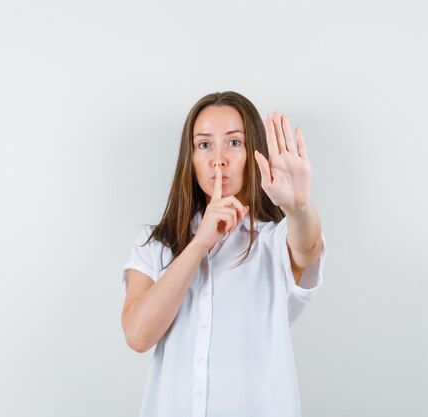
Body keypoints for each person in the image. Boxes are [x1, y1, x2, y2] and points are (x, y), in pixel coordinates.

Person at [120, 91, 327, 417]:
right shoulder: (156, 243)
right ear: (190, 158)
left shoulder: (274, 241)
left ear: (254, 151)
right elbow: (138, 335)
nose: (219, 158)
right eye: (204, 144)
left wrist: (298, 207)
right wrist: (199, 244)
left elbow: (307, 247)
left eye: (234, 142)